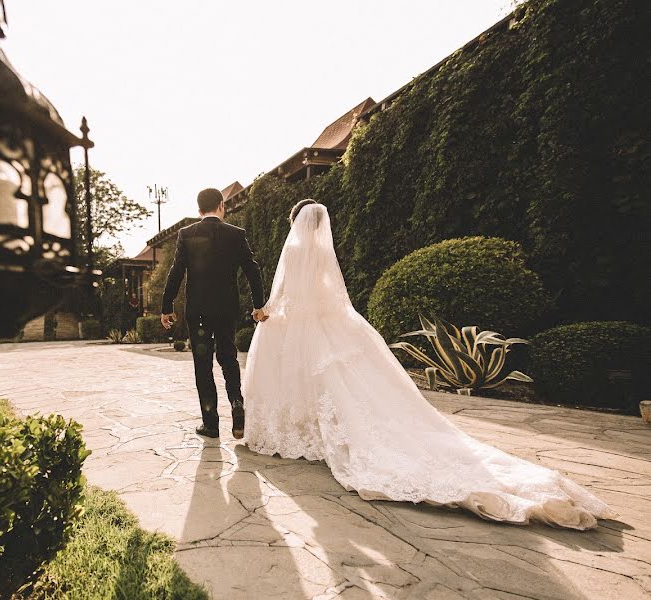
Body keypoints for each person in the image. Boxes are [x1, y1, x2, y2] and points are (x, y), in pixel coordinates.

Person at [242, 200, 617, 529]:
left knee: (306, 381)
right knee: (341, 386)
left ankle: (302, 432)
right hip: (328, 323)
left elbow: (285, 292)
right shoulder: (325, 252)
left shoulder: (292, 252)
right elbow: (333, 294)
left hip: (300, 327)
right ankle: (318, 434)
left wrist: (267, 313)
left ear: (295, 223)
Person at [161, 188, 266, 439]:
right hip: (227, 308)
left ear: (199, 210)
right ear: (221, 205)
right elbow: (253, 270)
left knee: (203, 365)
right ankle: (237, 403)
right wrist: (258, 305)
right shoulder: (236, 234)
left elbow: (176, 271)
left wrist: (167, 306)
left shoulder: (186, 234)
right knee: (228, 357)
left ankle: (211, 424)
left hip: (197, 310)